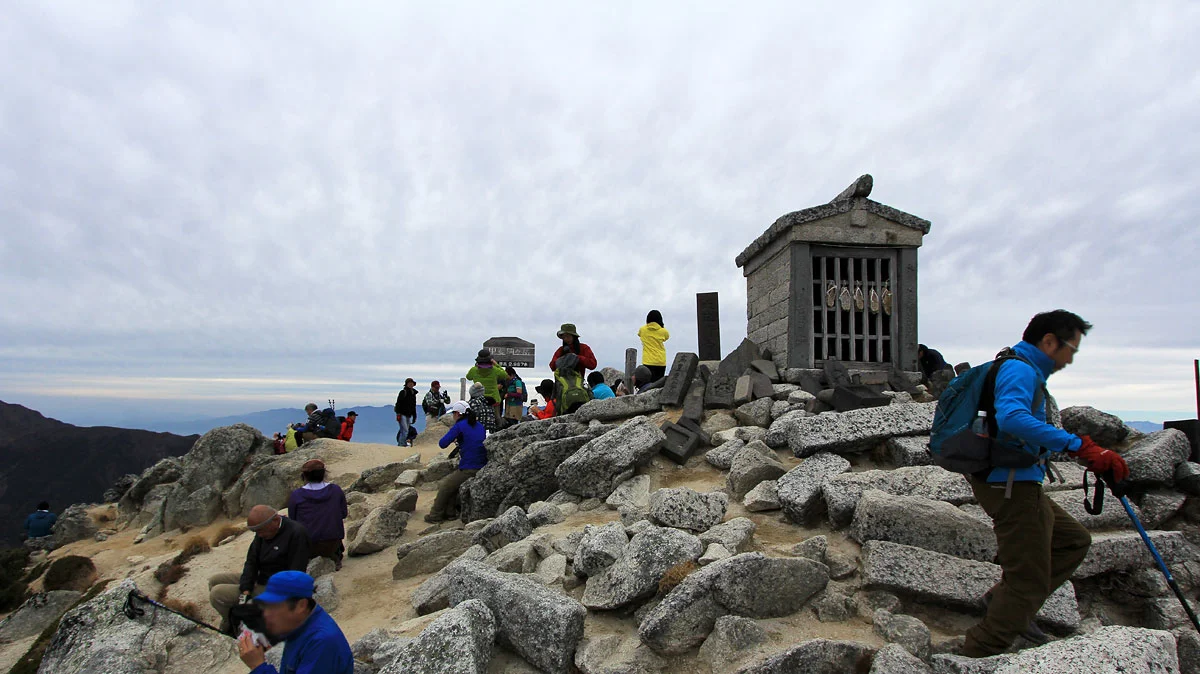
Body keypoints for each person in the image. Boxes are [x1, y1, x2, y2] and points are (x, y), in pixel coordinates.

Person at [961, 310, 1129, 658]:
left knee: (1072, 541)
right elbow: (1011, 417)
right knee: (1028, 578)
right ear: (1049, 341)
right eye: (1070, 348)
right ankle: (981, 650)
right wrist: (1077, 444)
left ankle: (1004, 603)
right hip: (1010, 484)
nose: (1071, 358)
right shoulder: (1020, 369)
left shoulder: (1020, 366)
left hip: (1012, 480)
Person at [209, 505, 311, 632]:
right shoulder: (264, 533)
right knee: (214, 580)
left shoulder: (296, 533)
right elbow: (252, 561)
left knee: (217, 594)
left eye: (261, 531)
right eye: (256, 532)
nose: (259, 535)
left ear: (275, 520)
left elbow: (296, 573)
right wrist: (246, 589)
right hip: (261, 576)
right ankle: (235, 616)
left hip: (275, 587)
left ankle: (232, 624)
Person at [236, 571, 353, 674]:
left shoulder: (322, 643)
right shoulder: (300, 625)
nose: (266, 614)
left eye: (274, 607)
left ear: (301, 605)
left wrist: (258, 666)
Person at [424, 401, 488, 523]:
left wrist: (455, 435)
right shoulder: (479, 425)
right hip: (482, 464)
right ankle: (450, 513)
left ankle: (435, 515)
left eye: (453, 413)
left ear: (458, 413)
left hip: (470, 466)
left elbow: (442, 443)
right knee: (453, 484)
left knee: (445, 486)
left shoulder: (460, 426)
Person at [286, 460, 348, 570]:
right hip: (333, 543)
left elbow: (293, 520)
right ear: (324, 473)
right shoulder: (335, 490)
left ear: (304, 476)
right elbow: (343, 514)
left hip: (308, 546)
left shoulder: (297, 495)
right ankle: (335, 556)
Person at [466, 349, 509, 423]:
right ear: (490, 360)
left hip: (478, 399)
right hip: (494, 399)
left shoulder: (474, 370)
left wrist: (476, 365)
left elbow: (468, 377)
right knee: (496, 419)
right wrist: (496, 364)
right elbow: (505, 375)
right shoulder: (495, 370)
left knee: (478, 420)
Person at [638, 310, 671, 381]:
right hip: (660, 361)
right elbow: (666, 337)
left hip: (647, 361)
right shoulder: (663, 331)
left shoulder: (642, 330)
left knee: (647, 384)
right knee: (658, 384)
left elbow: (639, 334)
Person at [394, 378, 418, 447]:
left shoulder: (413, 394)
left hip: (408, 415)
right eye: (409, 383)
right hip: (402, 414)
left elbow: (413, 406)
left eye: (412, 383)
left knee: (404, 430)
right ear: (406, 384)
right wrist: (398, 413)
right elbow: (398, 403)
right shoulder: (403, 392)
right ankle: (402, 445)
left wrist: (414, 416)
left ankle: (401, 445)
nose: (411, 384)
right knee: (405, 430)